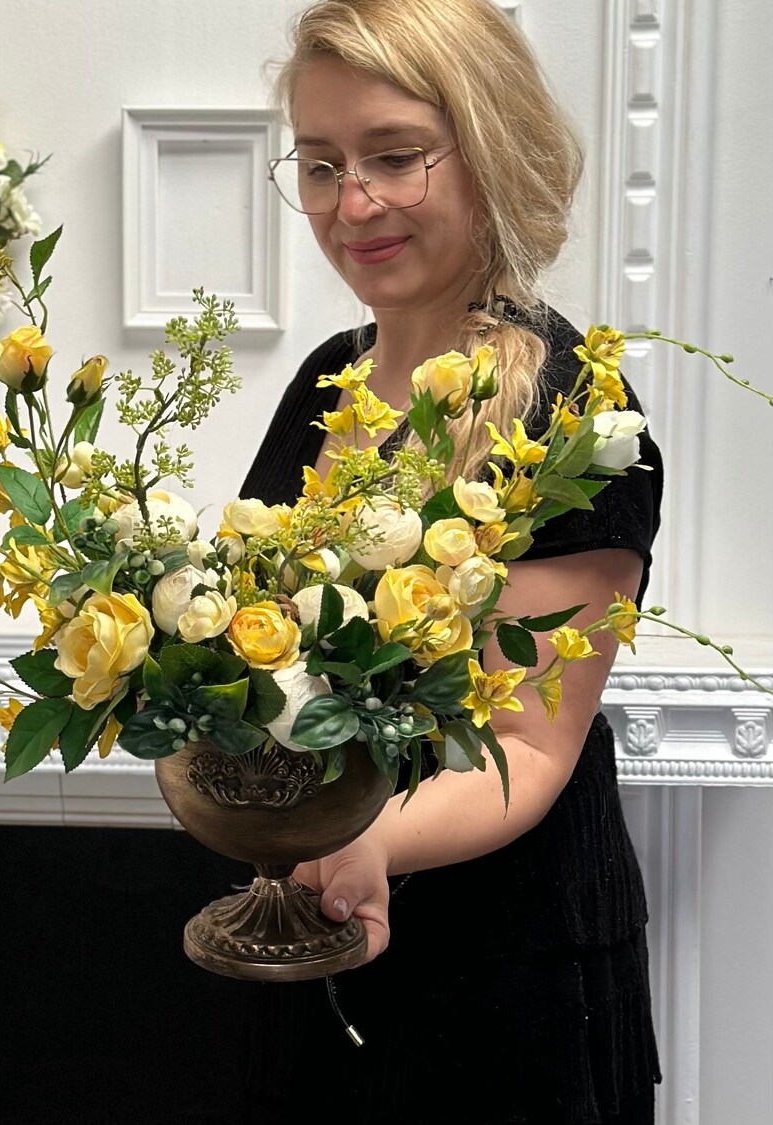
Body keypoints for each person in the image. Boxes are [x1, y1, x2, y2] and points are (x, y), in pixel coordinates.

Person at [237, 2, 664, 1122]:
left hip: (506, 976)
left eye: (392, 157)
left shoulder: (575, 410)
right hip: (331, 922)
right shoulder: (330, 376)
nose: (352, 204)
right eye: (322, 166)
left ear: (490, 146)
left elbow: (526, 740)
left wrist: (364, 841)